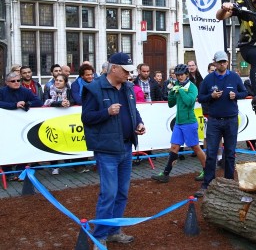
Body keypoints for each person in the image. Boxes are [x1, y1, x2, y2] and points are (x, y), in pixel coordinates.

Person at [81, 52, 145, 249]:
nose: (129, 74)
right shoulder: (94, 88)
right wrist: (106, 112)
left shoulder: (128, 87)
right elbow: (86, 117)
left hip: (126, 147)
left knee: (122, 193)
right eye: (126, 71)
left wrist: (139, 122)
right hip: (107, 151)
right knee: (108, 194)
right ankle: (99, 236)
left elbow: (133, 110)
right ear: (114, 68)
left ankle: (114, 231)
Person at [195, 51, 248, 198]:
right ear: (215, 63)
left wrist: (236, 95)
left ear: (227, 62)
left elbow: (245, 92)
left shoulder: (235, 77)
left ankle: (229, 184)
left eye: (225, 61)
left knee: (230, 153)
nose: (222, 64)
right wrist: (211, 96)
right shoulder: (208, 79)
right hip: (214, 121)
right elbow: (200, 98)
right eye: (220, 62)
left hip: (231, 120)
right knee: (211, 153)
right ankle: (207, 184)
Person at [151, 64, 206, 183]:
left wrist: (180, 91)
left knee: (195, 147)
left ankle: (207, 170)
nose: (179, 77)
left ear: (187, 75)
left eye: (181, 75)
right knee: (174, 147)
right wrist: (171, 93)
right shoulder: (176, 85)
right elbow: (171, 104)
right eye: (177, 75)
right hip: (179, 122)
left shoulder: (192, 87)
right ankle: (165, 174)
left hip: (189, 122)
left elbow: (189, 102)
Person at [0, 71, 43, 180]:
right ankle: (7, 172)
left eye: (18, 80)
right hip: (6, 126)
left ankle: (20, 171)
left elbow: (38, 101)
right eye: (13, 81)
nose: (16, 83)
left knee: (22, 146)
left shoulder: (24, 91)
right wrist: (14, 105)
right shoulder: (2, 91)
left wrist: (27, 104)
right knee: (7, 148)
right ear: (7, 82)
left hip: (22, 126)